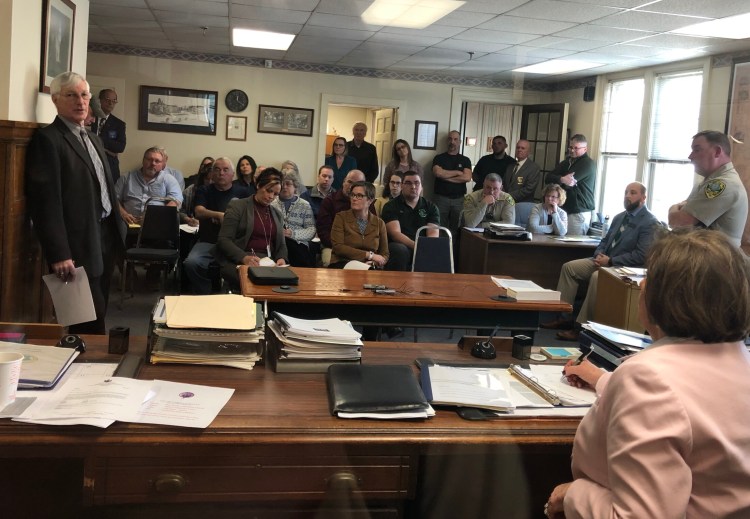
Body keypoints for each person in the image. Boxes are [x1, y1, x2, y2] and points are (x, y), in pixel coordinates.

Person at [546, 228, 750, 519]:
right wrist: (603, 379)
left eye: (647, 277)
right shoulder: (740, 359)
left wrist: (573, 495)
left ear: (659, 296)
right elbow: (693, 400)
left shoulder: (647, 378)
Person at [25, 72, 126, 334]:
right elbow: (46, 202)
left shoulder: (93, 138)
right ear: (56, 100)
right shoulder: (48, 139)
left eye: (84, 95)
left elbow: (105, 187)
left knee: (100, 306)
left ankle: (97, 366)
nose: (80, 102)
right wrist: (59, 253)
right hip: (77, 242)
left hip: (105, 234)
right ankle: (87, 367)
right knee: (85, 317)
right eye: (71, 95)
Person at [543, 182, 659, 341]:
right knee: (569, 268)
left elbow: (641, 255)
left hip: (624, 268)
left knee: (598, 278)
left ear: (643, 198)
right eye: (626, 192)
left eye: (633, 193)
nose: (627, 196)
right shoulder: (619, 217)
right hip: (603, 260)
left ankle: (581, 328)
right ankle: (564, 317)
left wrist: (611, 260)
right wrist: (599, 254)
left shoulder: (649, 222)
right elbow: (604, 241)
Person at [668, 130, 748, 248]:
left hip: (716, 262)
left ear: (717, 151)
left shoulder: (722, 184)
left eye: (697, 150)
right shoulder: (709, 181)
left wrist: (673, 207)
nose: (690, 156)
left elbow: (678, 222)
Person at [183, 157, 251, 294]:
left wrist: (227, 220)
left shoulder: (243, 192)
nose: (221, 173)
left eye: (226, 170)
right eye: (217, 170)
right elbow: (199, 212)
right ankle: (205, 292)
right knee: (190, 263)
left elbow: (249, 217)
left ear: (233, 174)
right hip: (208, 241)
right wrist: (218, 215)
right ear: (212, 174)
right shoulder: (204, 190)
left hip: (235, 244)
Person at [215, 168, 288, 292]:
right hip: (239, 260)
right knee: (257, 282)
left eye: (275, 194)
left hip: (267, 263)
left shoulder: (277, 214)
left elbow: (281, 244)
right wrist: (244, 258)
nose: (271, 197)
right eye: (268, 191)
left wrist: (281, 259)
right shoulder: (238, 206)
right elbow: (224, 240)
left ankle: (267, 311)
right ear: (258, 185)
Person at [381, 171, 440, 271]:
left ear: (421, 186)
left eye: (417, 183)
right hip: (400, 244)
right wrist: (417, 246)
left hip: (423, 245)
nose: (413, 186)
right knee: (399, 250)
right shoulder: (390, 206)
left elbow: (433, 234)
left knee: (436, 249)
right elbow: (395, 234)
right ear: (402, 186)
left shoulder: (431, 207)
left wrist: (426, 247)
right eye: (408, 183)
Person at [316, 169, 374, 265]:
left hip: (363, 249)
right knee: (331, 264)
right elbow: (323, 232)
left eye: (358, 184)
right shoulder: (329, 201)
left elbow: (373, 232)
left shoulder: (368, 204)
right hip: (333, 247)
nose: (352, 186)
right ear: (343, 182)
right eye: (350, 182)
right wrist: (347, 250)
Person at [116, 146, 183, 225]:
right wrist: (123, 214)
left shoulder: (169, 179)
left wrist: (154, 217)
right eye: (149, 159)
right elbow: (114, 198)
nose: (153, 163)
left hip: (157, 224)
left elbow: (176, 201)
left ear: (162, 164)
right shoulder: (127, 177)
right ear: (143, 160)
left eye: (157, 161)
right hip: (127, 223)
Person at [330, 181, 389, 269]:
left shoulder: (379, 223)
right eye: (352, 195)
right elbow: (338, 247)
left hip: (370, 265)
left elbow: (385, 254)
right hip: (343, 262)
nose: (354, 198)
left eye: (359, 196)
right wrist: (369, 255)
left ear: (370, 200)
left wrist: (374, 262)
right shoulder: (341, 217)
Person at [546, 134, 596, 235]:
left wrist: (561, 180)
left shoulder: (587, 163)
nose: (572, 150)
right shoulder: (567, 162)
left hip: (578, 212)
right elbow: (548, 178)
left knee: (572, 246)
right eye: (571, 147)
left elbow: (568, 183)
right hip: (565, 210)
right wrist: (561, 179)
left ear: (585, 149)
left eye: (576, 148)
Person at [432, 130, 472, 237]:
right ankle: (441, 252)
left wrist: (445, 177)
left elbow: (467, 177)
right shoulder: (439, 158)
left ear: (460, 142)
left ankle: (453, 253)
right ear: (447, 141)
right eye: (450, 139)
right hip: (441, 199)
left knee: (457, 229)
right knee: (439, 228)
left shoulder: (465, 160)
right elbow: (438, 173)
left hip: (459, 200)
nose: (452, 142)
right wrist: (458, 173)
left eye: (455, 139)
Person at [272, 169, 315, 267]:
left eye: (288, 184)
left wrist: (293, 233)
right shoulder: (272, 203)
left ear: (295, 186)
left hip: (298, 243)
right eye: (282, 184)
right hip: (277, 242)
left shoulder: (305, 205)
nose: (284, 187)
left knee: (296, 250)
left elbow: (311, 229)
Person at [91, 88, 126, 183]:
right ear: (100, 100)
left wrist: (98, 140)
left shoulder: (119, 124)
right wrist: (108, 150)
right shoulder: (89, 118)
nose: (111, 103)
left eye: (114, 101)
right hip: (90, 164)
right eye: (107, 100)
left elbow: (120, 147)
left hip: (110, 167)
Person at [181, 157, 214, 226]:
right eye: (207, 179)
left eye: (213, 179)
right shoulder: (190, 190)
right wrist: (187, 219)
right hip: (192, 227)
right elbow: (179, 210)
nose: (210, 182)